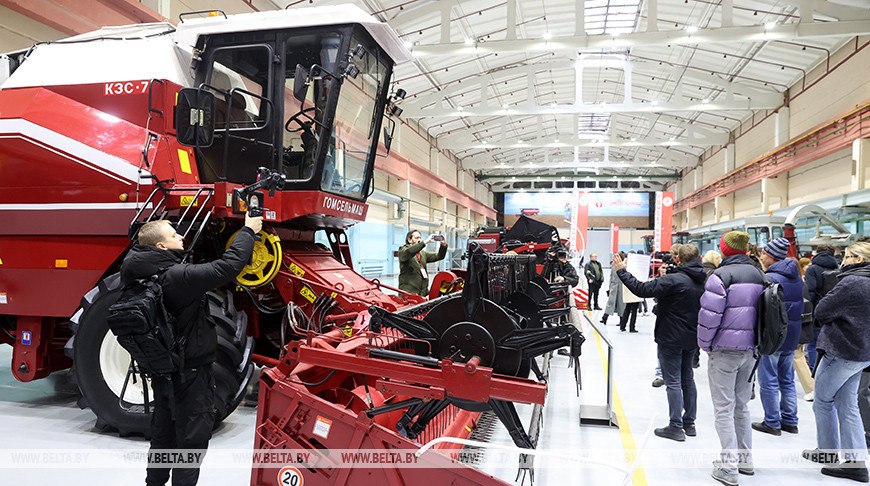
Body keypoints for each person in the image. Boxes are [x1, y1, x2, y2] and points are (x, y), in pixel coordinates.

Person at [121, 213, 262, 486]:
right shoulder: (177, 276)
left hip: (162, 370)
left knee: (163, 436)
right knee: (191, 442)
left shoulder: (133, 273)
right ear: (161, 246)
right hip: (191, 374)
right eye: (174, 235)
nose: (181, 237)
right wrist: (248, 231)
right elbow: (228, 266)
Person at [613, 244, 706, 441]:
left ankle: (675, 426)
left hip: (671, 336)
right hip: (692, 336)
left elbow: (641, 289)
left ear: (678, 259)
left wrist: (622, 271)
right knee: (687, 379)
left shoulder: (673, 280)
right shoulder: (704, 280)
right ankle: (689, 423)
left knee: (672, 381)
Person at [697, 231, 765, 485]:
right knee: (741, 406)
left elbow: (709, 316)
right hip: (751, 351)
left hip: (724, 351)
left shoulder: (720, 276)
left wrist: (705, 345)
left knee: (723, 409)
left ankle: (728, 468)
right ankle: (745, 460)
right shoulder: (761, 275)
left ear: (724, 249)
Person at [803, 242, 870, 483]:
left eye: (849, 256)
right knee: (847, 403)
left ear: (860, 260)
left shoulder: (852, 282)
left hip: (842, 351)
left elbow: (821, 311)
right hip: (862, 353)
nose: (843, 260)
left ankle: (829, 454)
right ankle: (855, 461)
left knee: (822, 400)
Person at [752, 238, 804, 437]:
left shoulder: (770, 278)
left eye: (764, 253)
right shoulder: (795, 276)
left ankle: (772, 422)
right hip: (791, 336)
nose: (762, 256)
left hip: (773, 336)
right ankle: (790, 421)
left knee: (769, 380)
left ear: (771, 256)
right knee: (787, 379)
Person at [805, 244, 840, 373]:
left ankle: (813, 372)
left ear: (817, 252)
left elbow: (810, 292)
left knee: (813, 343)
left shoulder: (812, 269)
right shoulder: (838, 268)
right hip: (835, 310)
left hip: (817, 310)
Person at [398, 230, 448, 297]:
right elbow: (409, 252)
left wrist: (443, 245)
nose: (419, 240)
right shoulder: (403, 251)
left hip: (422, 293)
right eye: (416, 238)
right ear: (409, 240)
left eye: (420, 238)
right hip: (408, 294)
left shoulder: (422, 254)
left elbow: (439, 256)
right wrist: (424, 242)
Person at [602, 252, 627, 325]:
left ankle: (622, 320)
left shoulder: (624, 265)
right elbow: (611, 276)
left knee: (621, 304)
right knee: (610, 302)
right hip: (614, 286)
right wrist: (609, 287)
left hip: (621, 286)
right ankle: (604, 318)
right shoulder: (613, 265)